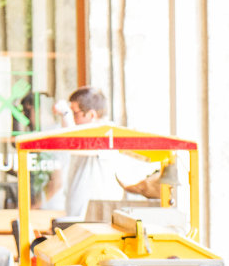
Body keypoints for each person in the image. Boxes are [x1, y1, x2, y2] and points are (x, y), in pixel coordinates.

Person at [39, 87, 154, 222]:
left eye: (75, 114)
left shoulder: (107, 134)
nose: (73, 120)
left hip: (95, 218)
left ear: (92, 115)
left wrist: (65, 114)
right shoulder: (90, 133)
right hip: (81, 216)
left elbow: (73, 143)